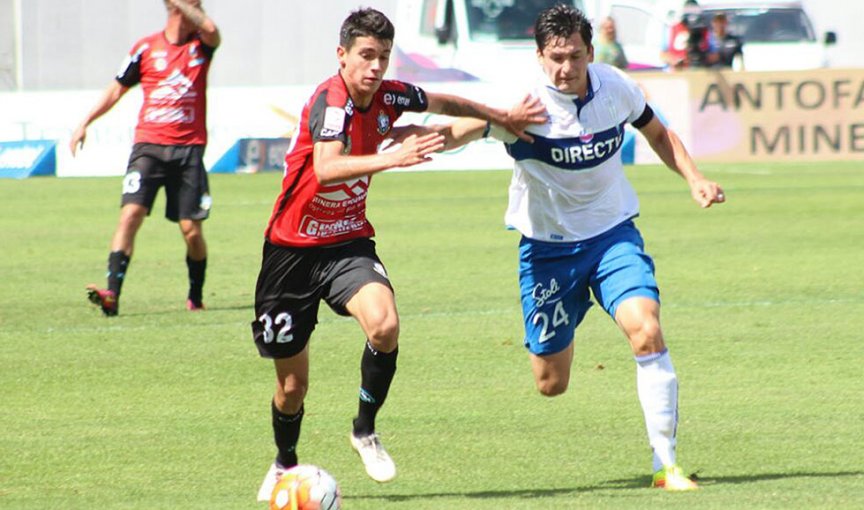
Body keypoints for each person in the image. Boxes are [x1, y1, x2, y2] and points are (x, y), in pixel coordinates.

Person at [251, 7, 545, 502]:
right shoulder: (332, 101)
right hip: (291, 253)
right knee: (292, 388)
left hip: (346, 243)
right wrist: (391, 156)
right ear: (342, 55)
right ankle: (284, 462)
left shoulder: (388, 95)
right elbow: (325, 169)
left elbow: (444, 100)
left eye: (383, 57)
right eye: (366, 55)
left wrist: (499, 117)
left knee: (384, 326)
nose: (375, 66)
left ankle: (364, 429)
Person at [434, 3, 725, 491]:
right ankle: (570, 315)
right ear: (539, 56)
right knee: (551, 383)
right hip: (547, 251)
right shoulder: (521, 105)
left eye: (574, 55)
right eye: (554, 57)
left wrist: (694, 178)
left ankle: (666, 465)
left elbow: (657, 131)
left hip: (612, 236)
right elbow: (460, 131)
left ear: (591, 51)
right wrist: (414, 145)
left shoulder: (615, 87)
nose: (564, 68)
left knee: (646, 329)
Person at [70, 0, 220, 316]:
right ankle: (112, 295)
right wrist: (84, 122)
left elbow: (210, 29)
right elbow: (115, 90)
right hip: (148, 147)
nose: (201, 10)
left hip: (188, 150)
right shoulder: (146, 48)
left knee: (191, 231)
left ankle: (195, 295)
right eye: (197, 4)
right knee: (130, 215)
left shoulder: (201, 47)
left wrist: (181, 3)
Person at [662, 0, 714, 69]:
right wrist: (676, 61)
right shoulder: (673, 29)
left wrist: (702, 58)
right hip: (678, 72)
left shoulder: (704, 30)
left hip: (700, 71)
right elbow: (662, 55)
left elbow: (714, 55)